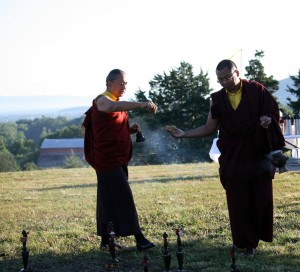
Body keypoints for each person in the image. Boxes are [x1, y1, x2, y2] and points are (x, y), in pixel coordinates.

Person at [167, 59, 287, 257]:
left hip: (257, 152)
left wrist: (268, 119)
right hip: (234, 155)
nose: (223, 82)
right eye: (220, 79)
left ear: (237, 72)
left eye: (227, 77)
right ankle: (245, 242)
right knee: (238, 200)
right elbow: (209, 128)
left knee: (260, 197)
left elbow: (275, 113)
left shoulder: (257, 91)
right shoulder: (217, 99)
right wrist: (184, 134)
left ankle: (255, 239)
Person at [82, 69, 157, 251]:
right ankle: (139, 238)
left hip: (116, 157)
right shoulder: (102, 100)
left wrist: (127, 130)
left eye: (126, 84)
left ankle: (106, 240)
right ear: (109, 84)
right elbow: (110, 110)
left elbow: (109, 125)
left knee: (107, 198)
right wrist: (142, 104)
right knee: (124, 195)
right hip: (106, 160)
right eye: (121, 83)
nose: (124, 87)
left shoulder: (114, 102)